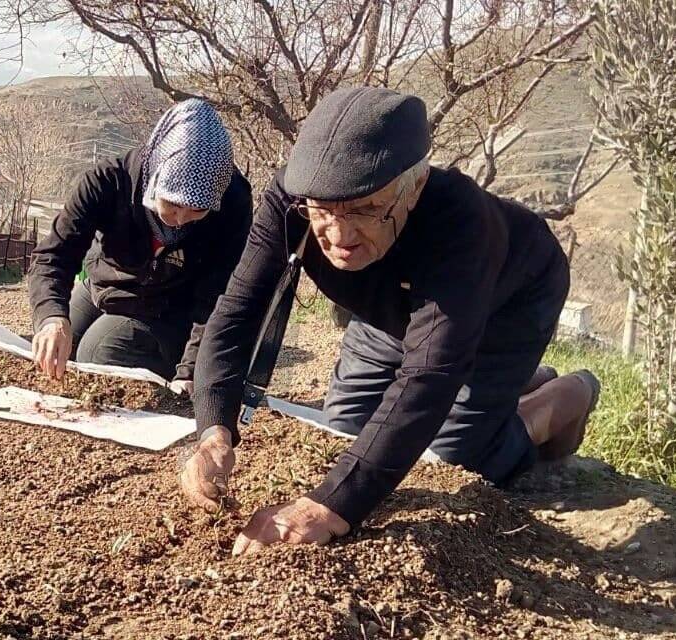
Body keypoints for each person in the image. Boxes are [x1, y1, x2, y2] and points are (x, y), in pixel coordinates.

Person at [180, 86, 602, 555]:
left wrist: (328, 508)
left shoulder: (462, 223)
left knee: (447, 459)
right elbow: (238, 310)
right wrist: (213, 430)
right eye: (321, 210)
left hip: (504, 304)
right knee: (342, 428)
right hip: (388, 308)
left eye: (364, 209)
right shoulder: (293, 196)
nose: (338, 235)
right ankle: (508, 386)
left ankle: (564, 396)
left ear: (414, 185)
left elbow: (430, 373)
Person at [28, 99, 252, 390]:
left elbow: (219, 292)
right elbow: (54, 255)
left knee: (99, 355)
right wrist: (52, 317)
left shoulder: (233, 201)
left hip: (173, 307)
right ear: (154, 178)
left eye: (197, 210)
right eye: (171, 204)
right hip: (106, 284)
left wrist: (190, 370)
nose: (181, 219)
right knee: (61, 348)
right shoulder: (108, 181)